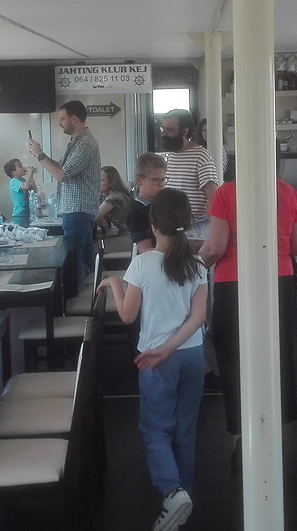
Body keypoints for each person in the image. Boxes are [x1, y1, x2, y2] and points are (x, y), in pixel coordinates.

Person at [100, 188, 207, 531]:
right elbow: (198, 318)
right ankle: (182, 497)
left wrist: (114, 282)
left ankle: (172, 493)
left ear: (152, 224)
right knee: (185, 429)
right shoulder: (197, 264)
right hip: (192, 355)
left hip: (156, 359)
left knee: (155, 429)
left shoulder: (142, 264)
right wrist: (173, 346)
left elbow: (127, 315)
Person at [200, 147, 297, 438]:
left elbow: (215, 248)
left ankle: (240, 433)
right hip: (279, 280)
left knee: (233, 355)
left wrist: (193, 265)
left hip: (234, 282)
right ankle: (273, 432)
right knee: (276, 354)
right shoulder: (288, 192)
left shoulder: (226, 193)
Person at [27, 100, 102, 298]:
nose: (59, 123)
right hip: (76, 209)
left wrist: (40, 155)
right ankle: (99, 290)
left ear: (74, 119)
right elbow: (59, 167)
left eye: (62, 118)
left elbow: (61, 175)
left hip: (78, 209)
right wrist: (40, 155)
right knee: (86, 256)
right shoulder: (77, 142)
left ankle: (73, 301)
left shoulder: (85, 144)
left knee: (72, 257)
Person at [159, 109, 220, 244]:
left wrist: (200, 228)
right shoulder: (172, 156)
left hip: (193, 233)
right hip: (174, 229)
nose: (163, 134)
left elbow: (214, 195)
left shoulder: (201, 156)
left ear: (184, 131)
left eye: (169, 130)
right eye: (162, 129)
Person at [129, 152, 167, 254]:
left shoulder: (163, 206)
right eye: (155, 180)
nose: (161, 185)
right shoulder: (137, 213)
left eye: (163, 180)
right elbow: (145, 251)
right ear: (139, 180)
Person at [96, 165, 134, 235]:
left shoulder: (115, 197)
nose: (97, 182)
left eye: (101, 180)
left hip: (132, 235)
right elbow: (106, 225)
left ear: (111, 183)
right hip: (125, 234)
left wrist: (99, 217)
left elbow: (93, 216)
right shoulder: (104, 196)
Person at [3, 158, 38, 227]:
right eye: (20, 166)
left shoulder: (22, 180)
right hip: (19, 214)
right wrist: (29, 174)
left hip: (27, 212)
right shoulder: (13, 181)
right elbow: (26, 187)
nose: (23, 167)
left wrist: (31, 176)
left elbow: (34, 190)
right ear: (14, 173)